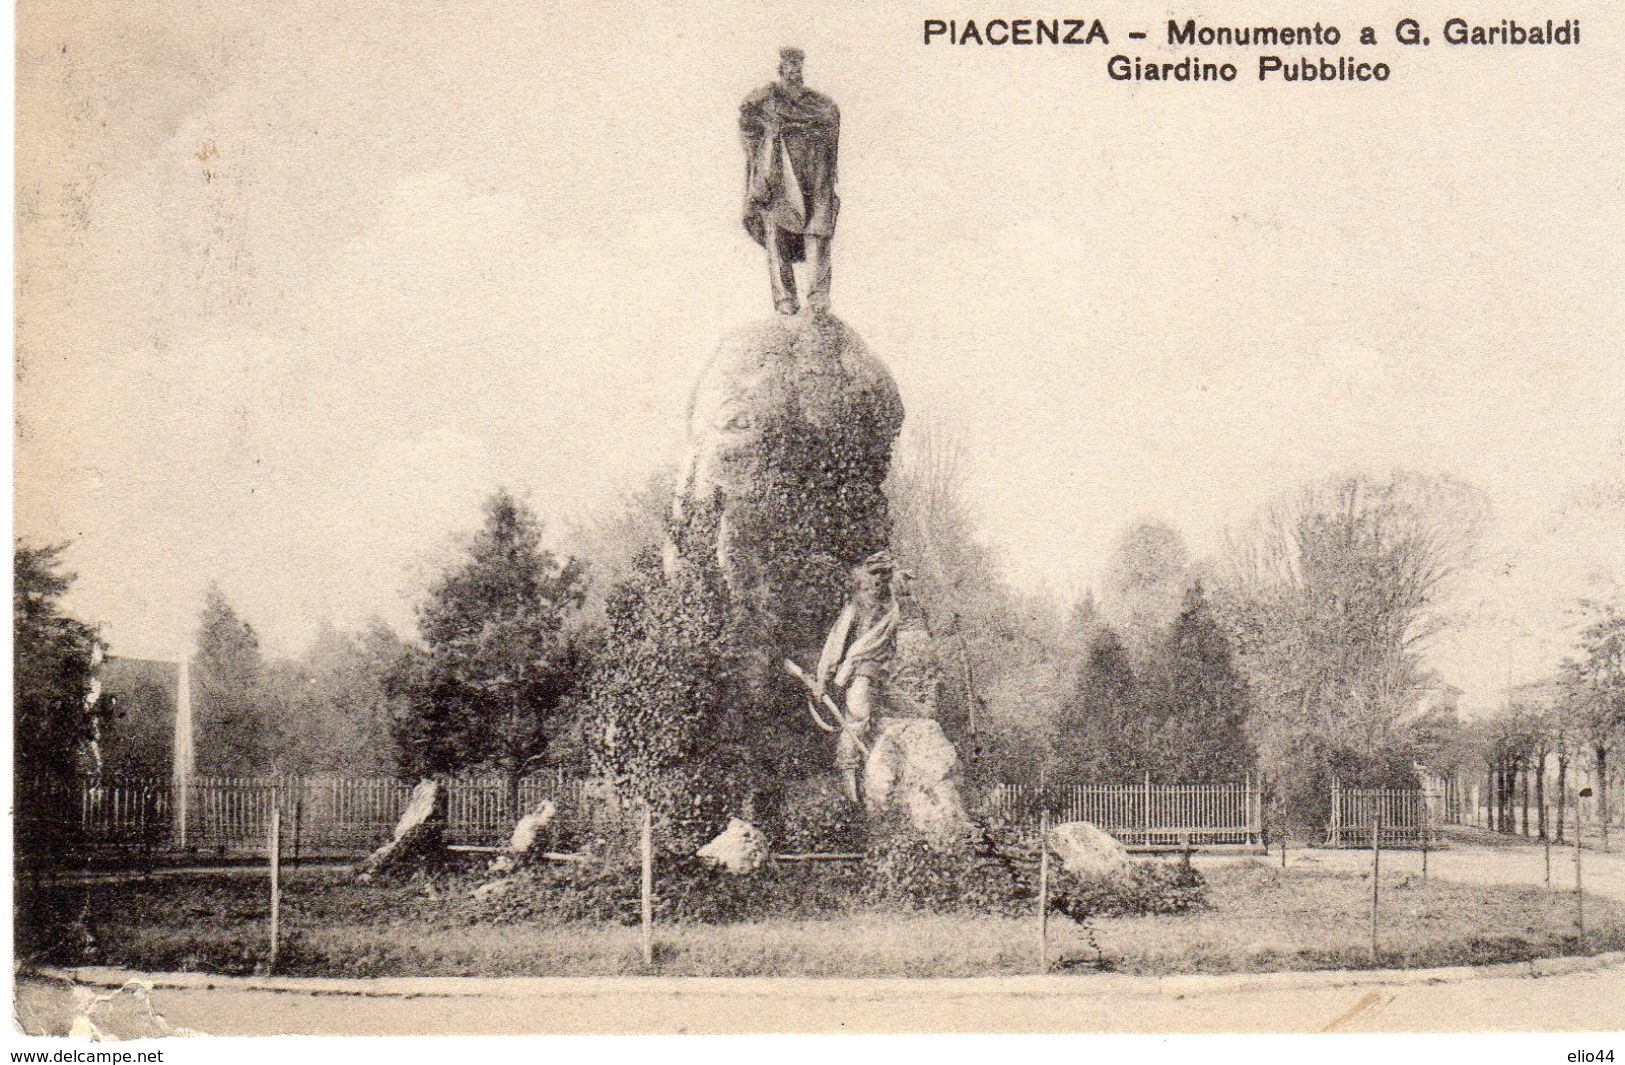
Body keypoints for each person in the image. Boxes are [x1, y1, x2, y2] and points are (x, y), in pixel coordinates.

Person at [739, 47, 839, 315]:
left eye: (798, 65)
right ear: (781, 68)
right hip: (778, 174)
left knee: (818, 230)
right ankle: (784, 298)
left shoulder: (819, 103)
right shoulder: (766, 98)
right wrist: (768, 133)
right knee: (776, 231)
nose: (794, 70)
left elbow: (830, 119)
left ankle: (818, 295)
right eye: (789, 65)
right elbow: (747, 121)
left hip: (814, 172)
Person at [815, 551, 901, 803]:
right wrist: (822, 679)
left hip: (875, 671)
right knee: (856, 716)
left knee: (862, 717)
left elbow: (889, 644)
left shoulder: (892, 609)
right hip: (849, 671)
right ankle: (848, 777)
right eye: (875, 574)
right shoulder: (857, 605)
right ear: (867, 575)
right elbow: (836, 643)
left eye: (885, 574)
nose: (880, 580)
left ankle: (863, 780)